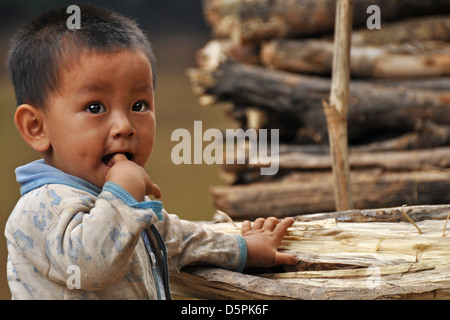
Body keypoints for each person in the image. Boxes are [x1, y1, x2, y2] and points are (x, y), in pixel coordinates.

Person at [4, 5, 299, 299]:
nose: (124, 126)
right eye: (95, 108)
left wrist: (244, 249)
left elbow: (177, 240)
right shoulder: (40, 209)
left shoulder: (121, 202)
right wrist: (123, 193)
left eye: (139, 105)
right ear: (36, 127)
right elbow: (91, 264)